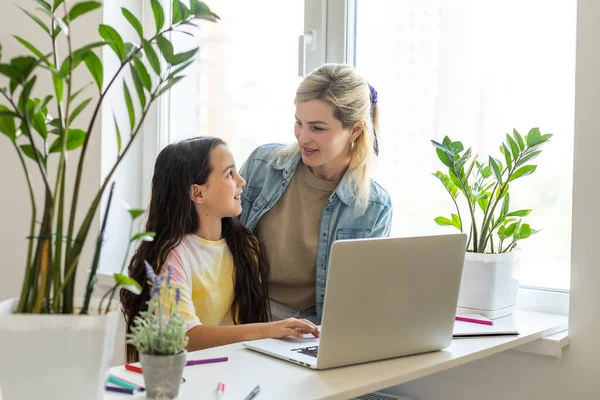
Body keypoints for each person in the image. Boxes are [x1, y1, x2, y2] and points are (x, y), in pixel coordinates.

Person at [120, 137, 319, 362]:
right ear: (198, 193)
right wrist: (269, 329)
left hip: (233, 372)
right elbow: (185, 337)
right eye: (229, 174)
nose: (241, 181)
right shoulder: (171, 258)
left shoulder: (245, 247)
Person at [239, 63, 392, 324]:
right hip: (248, 313)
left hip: (317, 326)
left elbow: (362, 295)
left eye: (317, 128)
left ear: (354, 130)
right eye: (299, 123)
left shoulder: (374, 205)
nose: (303, 138)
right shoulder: (262, 165)